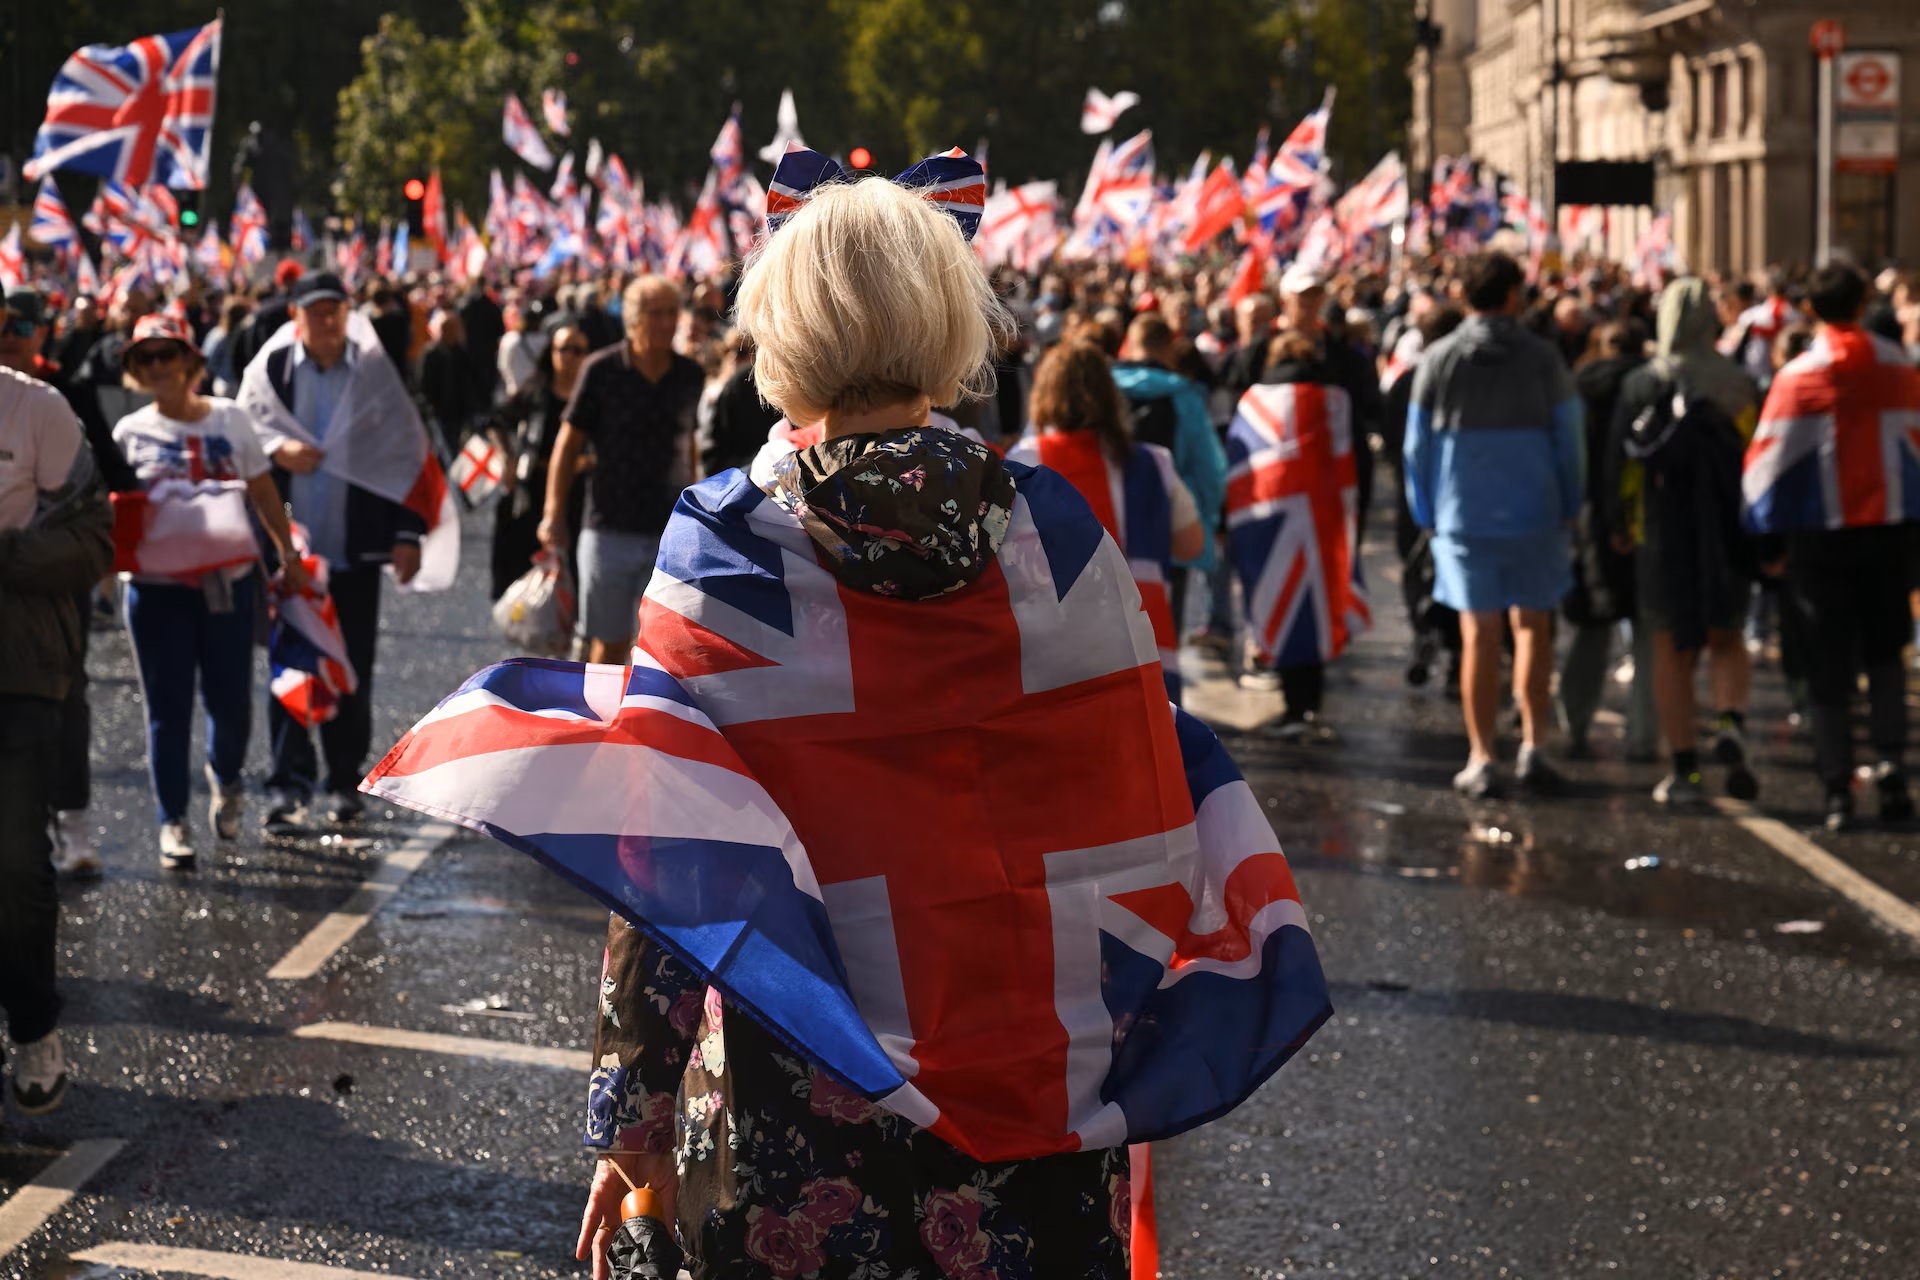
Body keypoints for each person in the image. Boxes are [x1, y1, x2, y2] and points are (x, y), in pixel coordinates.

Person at [112, 315, 308, 867]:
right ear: (134, 370)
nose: (157, 367)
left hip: (228, 585)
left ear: (191, 362)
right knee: (166, 710)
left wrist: (287, 552)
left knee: (230, 703)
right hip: (155, 591)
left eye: (166, 354)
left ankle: (225, 778)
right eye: (145, 358)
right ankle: (171, 820)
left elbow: (268, 494)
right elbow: (111, 515)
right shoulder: (128, 435)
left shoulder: (230, 420)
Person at [246, 272, 426, 830]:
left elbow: (404, 452)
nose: (326, 322)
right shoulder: (272, 372)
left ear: (348, 316)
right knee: (291, 670)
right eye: (315, 313)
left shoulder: (374, 373)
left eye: (335, 312)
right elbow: (242, 436)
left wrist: (406, 533)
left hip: (355, 550)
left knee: (351, 671)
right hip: (291, 553)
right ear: (296, 319)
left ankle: (344, 780)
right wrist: (278, 449)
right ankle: (287, 784)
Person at [1745, 261, 1920, 831]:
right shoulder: (1901, 367)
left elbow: (1766, 464)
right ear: (1866, 299)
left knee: (1828, 666)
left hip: (1821, 540)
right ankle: (1892, 768)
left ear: (1813, 310)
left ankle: (1836, 789)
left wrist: (1765, 538)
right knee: (1885, 651)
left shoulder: (1799, 376)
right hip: (1890, 532)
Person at [1405, 251, 1584, 799]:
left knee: (1478, 635)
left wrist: (1426, 513)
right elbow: (1570, 439)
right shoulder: (1543, 357)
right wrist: (1571, 502)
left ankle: (1481, 754)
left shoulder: (1437, 359)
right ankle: (1534, 744)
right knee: (1534, 627)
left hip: (1464, 513)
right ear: (1512, 295)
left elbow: (1417, 446)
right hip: (1535, 510)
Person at [0, 358, 112, 1117]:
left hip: (22, 664)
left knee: (12, 862)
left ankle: (34, 1024)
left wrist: (4, 554)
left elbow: (93, 539)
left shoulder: (39, 410)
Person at [1608, 279, 1760, 806]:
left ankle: (1685, 768)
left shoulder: (1641, 384)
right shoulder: (1740, 382)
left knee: (1671, 647)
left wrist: (1619, 523)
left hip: (1662, 531)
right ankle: (1730, 719)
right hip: (1726, 528)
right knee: (1727, 632)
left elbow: (1622, 464)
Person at [2, 286, 134, 880]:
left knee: (68, 699)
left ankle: (74, 822)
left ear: (42, 335)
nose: (12, 337)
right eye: (6, 325)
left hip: (48, 589)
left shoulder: (62, 397)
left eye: (22, 328)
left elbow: (109, 480)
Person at [1008, 339, 1205, 700]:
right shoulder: (1154, 462)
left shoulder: (1024, 462)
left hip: (1059, 651)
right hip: (1144, 641)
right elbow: (1192, 544)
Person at [538, 276, 703, 663]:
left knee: (662, 645)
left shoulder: (689, 374)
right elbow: (568, 444)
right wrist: (553, 514)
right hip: (609, 524)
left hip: (669, 529)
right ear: (633, 319)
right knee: (608, 645)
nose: (666, 322)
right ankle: (603, 721)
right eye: (655, 314)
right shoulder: (600, 369)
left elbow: (689, 446)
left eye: (671, 313)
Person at [1558, 318, 1655, 762]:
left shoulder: (1580, 386)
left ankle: (1574, 722)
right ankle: (1644, 733)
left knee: (1591, 625)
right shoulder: (1655, 388)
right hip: (1646, 516)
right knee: (1648, 629)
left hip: (1593, 515)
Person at [1109, 312, 1226, 635]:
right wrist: (1204, 520)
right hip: (1170, 523)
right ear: (1168, 348)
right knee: (1164, 634)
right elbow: (1210, 469)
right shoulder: (1185, 395)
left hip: (1108, 523)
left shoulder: (1101, 391)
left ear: (1130, 345)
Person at [485, 322, 589, 599]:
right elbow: (496, 421)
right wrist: (507, 457)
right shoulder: (537, 389)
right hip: (533, 485)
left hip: (578, 490)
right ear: (551, 352)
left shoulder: (592, 396)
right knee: (522, 554)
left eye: (578, 351)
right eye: (563, 349)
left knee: (577, 563)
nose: (570, 356)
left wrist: (589, 461)